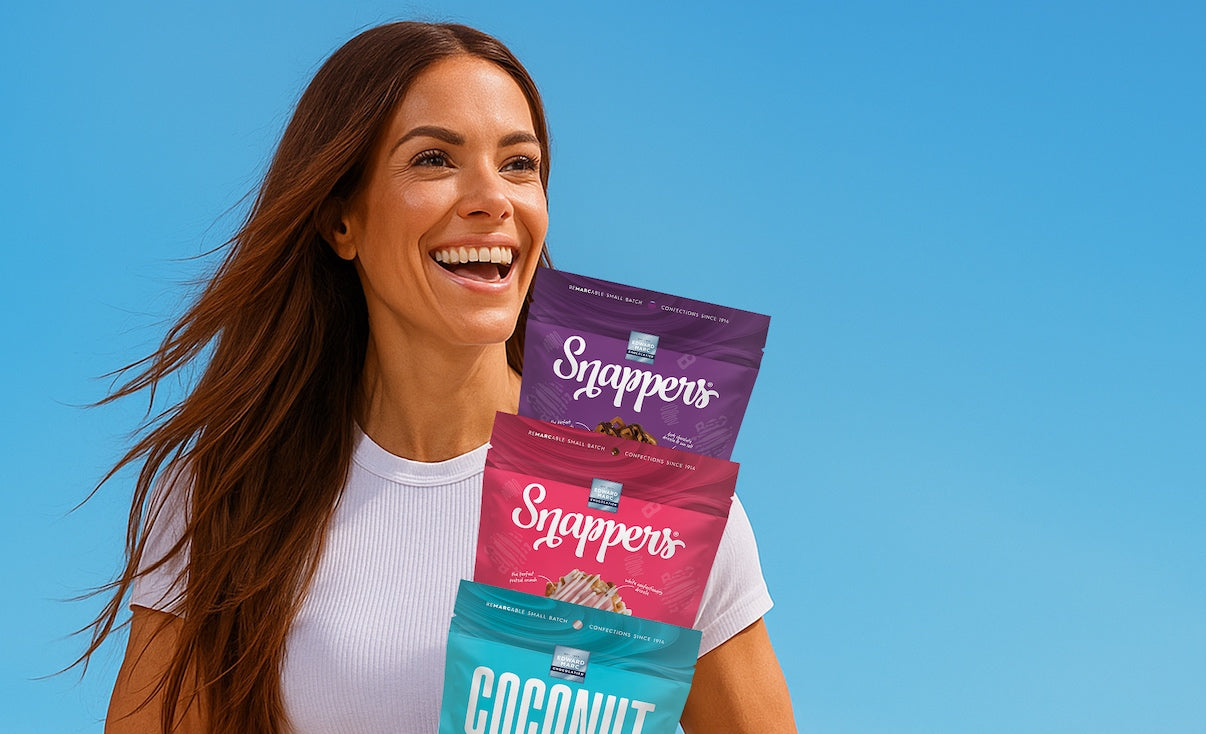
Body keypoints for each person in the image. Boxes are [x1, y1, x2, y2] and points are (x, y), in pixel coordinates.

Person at [75, 21, 797, 733]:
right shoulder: (230, 492)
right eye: (433, 161)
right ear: (341, 221)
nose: (494, 199)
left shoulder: (649, 499)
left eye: (519, 165)